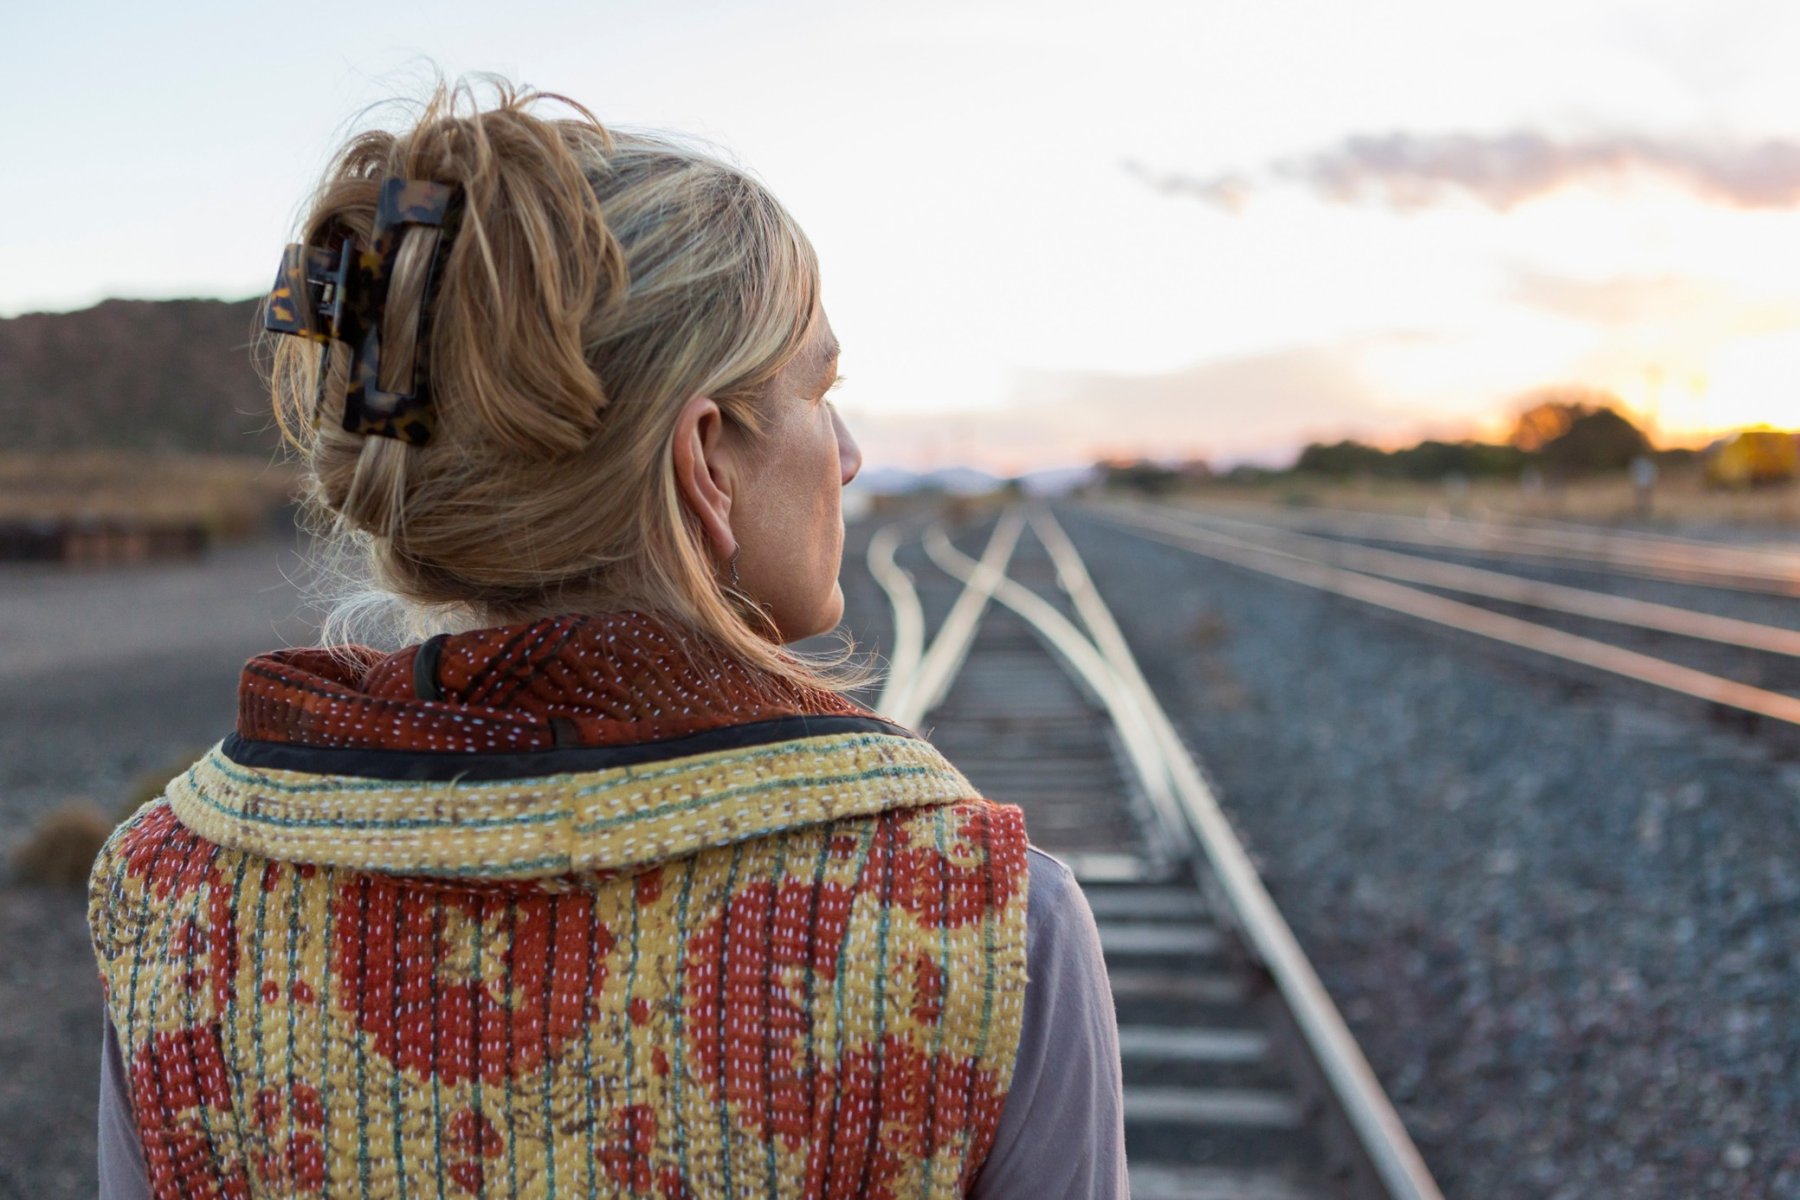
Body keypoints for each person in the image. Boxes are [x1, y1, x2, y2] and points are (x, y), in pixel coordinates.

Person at [86, 76, 1126, 1199]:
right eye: (822, 389)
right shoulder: (990, 920)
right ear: (707, 460)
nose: (853, 454)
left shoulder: (169, 896)